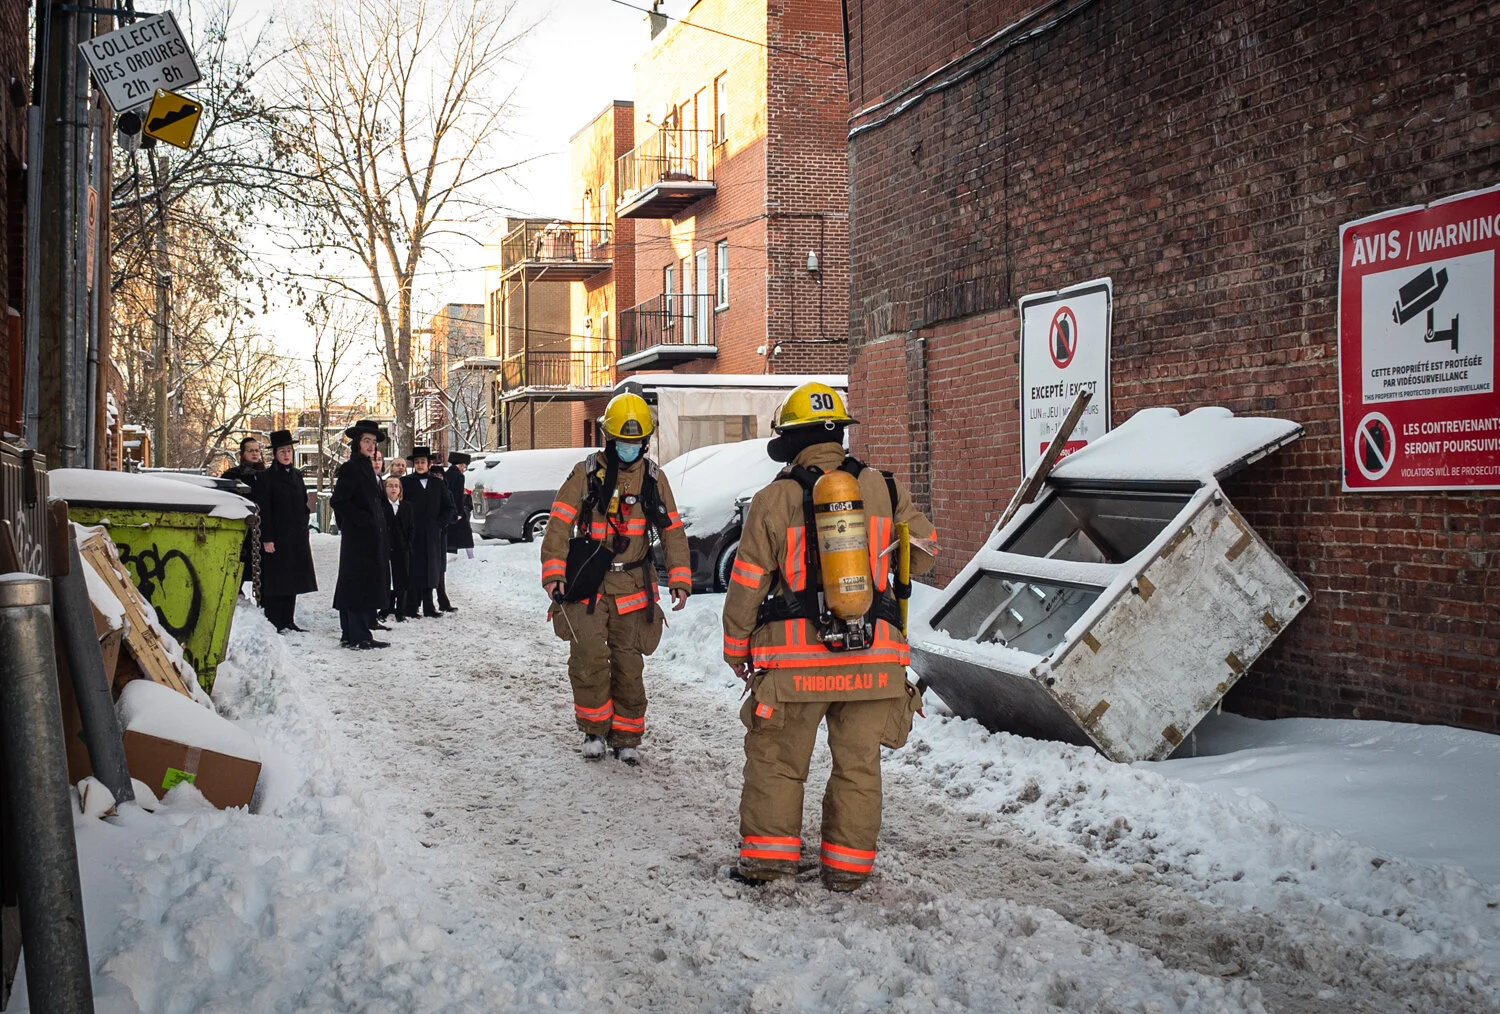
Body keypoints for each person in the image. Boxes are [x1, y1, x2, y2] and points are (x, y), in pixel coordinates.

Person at [721, 382, 938, 892]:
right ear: (838, 433)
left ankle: (770, 863)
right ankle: (847, 871)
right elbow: (925, 552)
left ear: (791, 442)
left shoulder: (773, 499)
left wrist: (736, 648)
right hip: (874, 662)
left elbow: (747, 582)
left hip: (795, 670)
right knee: (859, 769)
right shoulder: (884, 487)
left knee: (777, 763)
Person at [540, 393, 691, 766]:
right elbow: (559, 522)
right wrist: (553, 573)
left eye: (636, 442)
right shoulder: (586, 474)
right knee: (588, 657)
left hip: (634, 588)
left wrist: (681, 579)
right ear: (610, 438)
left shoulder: (654, 478)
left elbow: (672, 531)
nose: (630, 448)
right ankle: (593, 731)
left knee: (629, 666)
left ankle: (626, 736)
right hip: (589, 587)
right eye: (623, 441)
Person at [330, 419, 391, 649]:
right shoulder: (352, 468)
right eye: (367, 441)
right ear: (357, 443)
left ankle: (352, 633)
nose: (371, 445)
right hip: (358, 537)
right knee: (358, 584)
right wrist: (362, 521)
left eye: (374, 442)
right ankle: (359, 635)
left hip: (368, 538)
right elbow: (339, 501)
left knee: (359, 583)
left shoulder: (367, 468)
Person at [253, 430, 317, 632]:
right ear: (275, 454)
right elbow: (264, 509)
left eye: (289, 450)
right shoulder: (267, 477)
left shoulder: (297, 475)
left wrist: (303, 523)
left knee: (293, 579)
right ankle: (275, 620)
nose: (287, 455)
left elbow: (302, 503)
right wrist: (267, 538)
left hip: (296, 537)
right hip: (277, 536)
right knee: (277, 580)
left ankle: (288, 619)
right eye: (282, 451)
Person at [400, 446, 456, 619]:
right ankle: (411, 606)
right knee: (413, 568)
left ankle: (429, 606)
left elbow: (449, 508)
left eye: (423, 462)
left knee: (431, 569)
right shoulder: (406, 482)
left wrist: (439, 525)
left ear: (429, 464)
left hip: (432, 535)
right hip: (412, 532)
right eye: (417, 462)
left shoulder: (437, 483)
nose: (420, 465)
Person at [222, 436, 266, 585]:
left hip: (262, 530)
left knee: (264, 569)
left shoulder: (266, 476)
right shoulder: (231, 476)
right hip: (240, 528)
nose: (254, 454)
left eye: (257, 450)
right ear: (242, 454)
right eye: (250, 451)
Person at [380, 475, 412, 623]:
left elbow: (411, 528)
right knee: (386, 578)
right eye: (390, 486)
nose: (393, 489)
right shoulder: (381, 506)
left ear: (400, 489)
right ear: (385, 488)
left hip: (402, 548)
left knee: (401, 578)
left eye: (396, 486)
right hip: (385, 548)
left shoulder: (406, 506)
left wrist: (408, 545)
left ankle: (401, 610)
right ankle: (385, 607)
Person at [445, 450, 475, 561]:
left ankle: (449, 555)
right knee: (466, 533)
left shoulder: (446, 474)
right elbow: (458, 495)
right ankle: (471, 557)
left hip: (447, 509)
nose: (464, 469)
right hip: (457, 510)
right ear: (461, 465)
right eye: (464, 466)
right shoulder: (459, 476)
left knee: (449, 534)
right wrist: (459, 512)